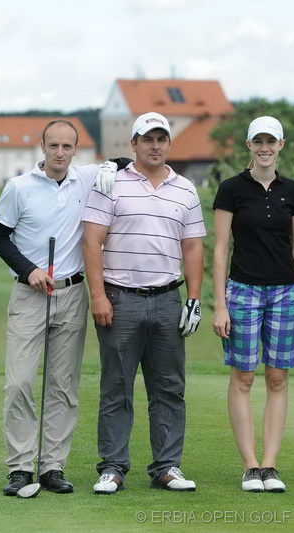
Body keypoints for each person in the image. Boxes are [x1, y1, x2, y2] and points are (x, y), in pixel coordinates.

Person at [0, 119, 117, 496]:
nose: (60, 152)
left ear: (76, 149)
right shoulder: (19, 187)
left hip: (73, 293)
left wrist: (113, 168)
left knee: (63, 386)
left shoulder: (85, 177)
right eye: (54, 145)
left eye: (67, 146)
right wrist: (27, 269)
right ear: (41, 146)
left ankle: (52, 466)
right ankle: (20, 467)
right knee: (19, 382)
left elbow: (128, 160)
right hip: (30, 294)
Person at [82, 112, 206, 495]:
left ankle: (166, 467)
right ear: (133, 144)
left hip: (168, 298)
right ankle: (113, 468)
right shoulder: (110, 183)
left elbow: (193, 247)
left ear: (169, 143)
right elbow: (92, 241)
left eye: (161, 139)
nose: (155, 146)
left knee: (169, 388)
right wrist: (98, 296)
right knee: (116, 388)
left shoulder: (185, 189)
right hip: (120, 299)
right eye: (147, 139)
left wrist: (194, 299)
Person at [211, 116, 294, 493]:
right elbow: (220, 249)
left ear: (281, 145)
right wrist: (219, 304)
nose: (265, 147)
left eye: (271, 141)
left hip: (286, 292)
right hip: (243, 291)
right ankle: (250, 466)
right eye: (258, 141)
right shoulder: (231, 189)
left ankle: (270, 465)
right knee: (243, 376)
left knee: (277, 377)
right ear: (249, 146)